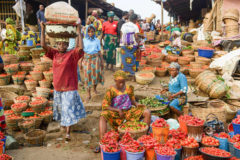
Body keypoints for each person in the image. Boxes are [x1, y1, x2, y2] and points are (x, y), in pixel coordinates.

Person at [40, 21, 86, 141]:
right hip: (58, 87)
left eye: (64, 44)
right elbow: (43, 45)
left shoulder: (72, 55)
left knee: (67, 108)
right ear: (57, 44)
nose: (61, 46)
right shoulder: (54, 53)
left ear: (67, 45)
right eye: (59, 44)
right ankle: (65, 125)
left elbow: (80, 48)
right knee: (61, 109)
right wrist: (42, 29)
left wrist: (79, 30)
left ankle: (68, 132)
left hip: (70, 87)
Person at [96, 70, 151, 152]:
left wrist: (137, 104)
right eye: (119, 82)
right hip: (116, 113)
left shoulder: (129, 88)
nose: (121, 84)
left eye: (123, 82)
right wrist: (118, 110)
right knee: (103, 116)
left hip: (129, 111)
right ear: (115, 81)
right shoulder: (110, 90)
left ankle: (143, 138)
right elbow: (105, 105)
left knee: (147, 112)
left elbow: (132, 100)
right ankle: (102, 143)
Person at [82, 25, 104, 102]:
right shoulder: (84, 40)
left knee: (96, 75)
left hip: (96, 59)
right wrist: (80, 61)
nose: (90, 33)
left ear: (94, 32)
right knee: (87, 76)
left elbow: (99, 51)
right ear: (87, 32)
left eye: (92, 31)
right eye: (89, 31)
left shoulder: (97, 40)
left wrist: (102, 61)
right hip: (87, 59)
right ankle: (88, 93)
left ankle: (94, 89)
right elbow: (82, 51)